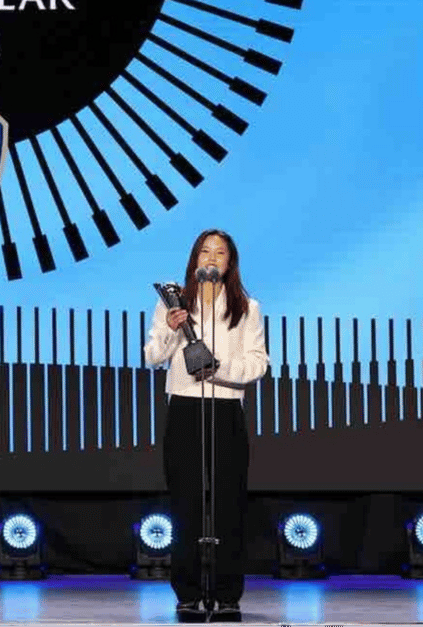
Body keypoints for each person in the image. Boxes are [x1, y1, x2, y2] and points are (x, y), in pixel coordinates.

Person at [143, 229, 269, 620]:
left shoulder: (247, 307)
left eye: (220, 253)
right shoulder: (172, 303)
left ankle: (229, 594)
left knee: (229, 505)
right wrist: (169, 326)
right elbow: (152, 356)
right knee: (186, 505)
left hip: (227, 409)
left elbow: (258, 364)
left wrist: (218, 370)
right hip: (184, 408)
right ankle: (188, 594)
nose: (211, 258)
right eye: (205, 251)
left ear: (230, 263)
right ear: (194, 259)